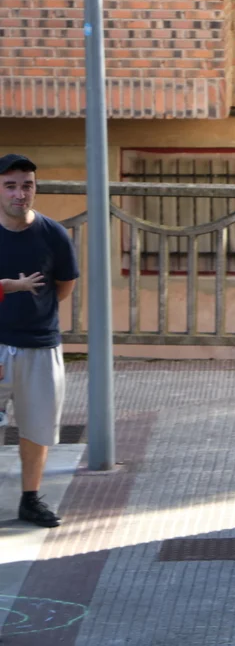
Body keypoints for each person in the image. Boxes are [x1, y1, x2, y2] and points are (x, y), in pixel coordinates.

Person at [0, 153, 79, 528]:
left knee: (37, 428)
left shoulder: (53, 234)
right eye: (10, 186)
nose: (20, 194)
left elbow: (64, 286)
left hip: (41, 345)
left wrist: (33, 313)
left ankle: (30, 500)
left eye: (27, 185)